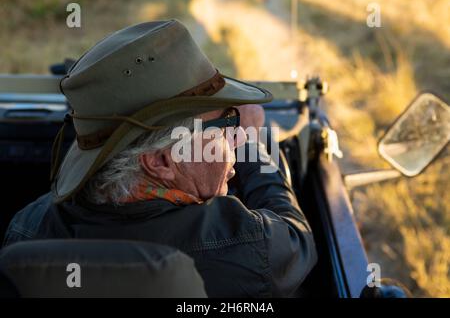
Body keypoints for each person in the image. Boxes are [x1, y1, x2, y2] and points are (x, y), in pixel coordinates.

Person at [3, 20, 317, 297]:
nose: (233, 138)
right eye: (225, 125)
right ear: (162, 162)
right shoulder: (240, 246)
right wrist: (254, 144)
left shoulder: (26, 230)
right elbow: (297, 240)